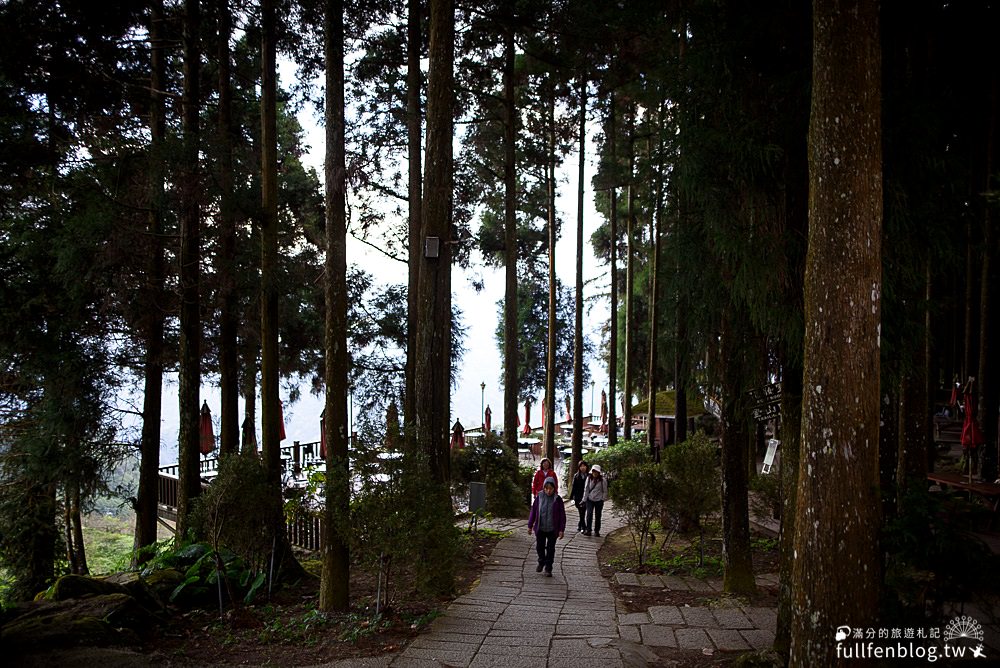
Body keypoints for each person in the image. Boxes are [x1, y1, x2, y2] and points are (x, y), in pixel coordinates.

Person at [527, 477, 565, 576]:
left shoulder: (558, 499)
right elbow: (533, 512)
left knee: (550, 549)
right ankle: (541, 561)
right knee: (539, 547)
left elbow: (562, 516)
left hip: (553, 529)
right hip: (541, 527)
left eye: (551, 489)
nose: (548, 491)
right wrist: (530, 525)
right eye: (546, 488)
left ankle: (548, 568)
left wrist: (561, 529)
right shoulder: (539, 497)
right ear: (544, 488)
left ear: (554, 488)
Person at [583, 463, 608, 537]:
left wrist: (602, 499)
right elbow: (586, 489)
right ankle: (588, 530)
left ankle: (597, 530)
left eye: (596, 472)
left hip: (598, 500)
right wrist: (584, 499)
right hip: (590, 499)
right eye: (594, 471)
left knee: (598, 516)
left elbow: (605, 490)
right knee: (589, 514)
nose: (595, 473)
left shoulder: (602, 480)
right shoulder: (589, 478)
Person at [570, 460, 589, 533]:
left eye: (584, 466)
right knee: (581, 512)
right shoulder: (576, 476)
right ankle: (584, 527)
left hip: (586, 497)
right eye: (581, 466)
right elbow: (574, 487)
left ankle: (580, 524)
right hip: (578, 497)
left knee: (583, 512)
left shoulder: (589, 476)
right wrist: (572, 497)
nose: (583, 468)